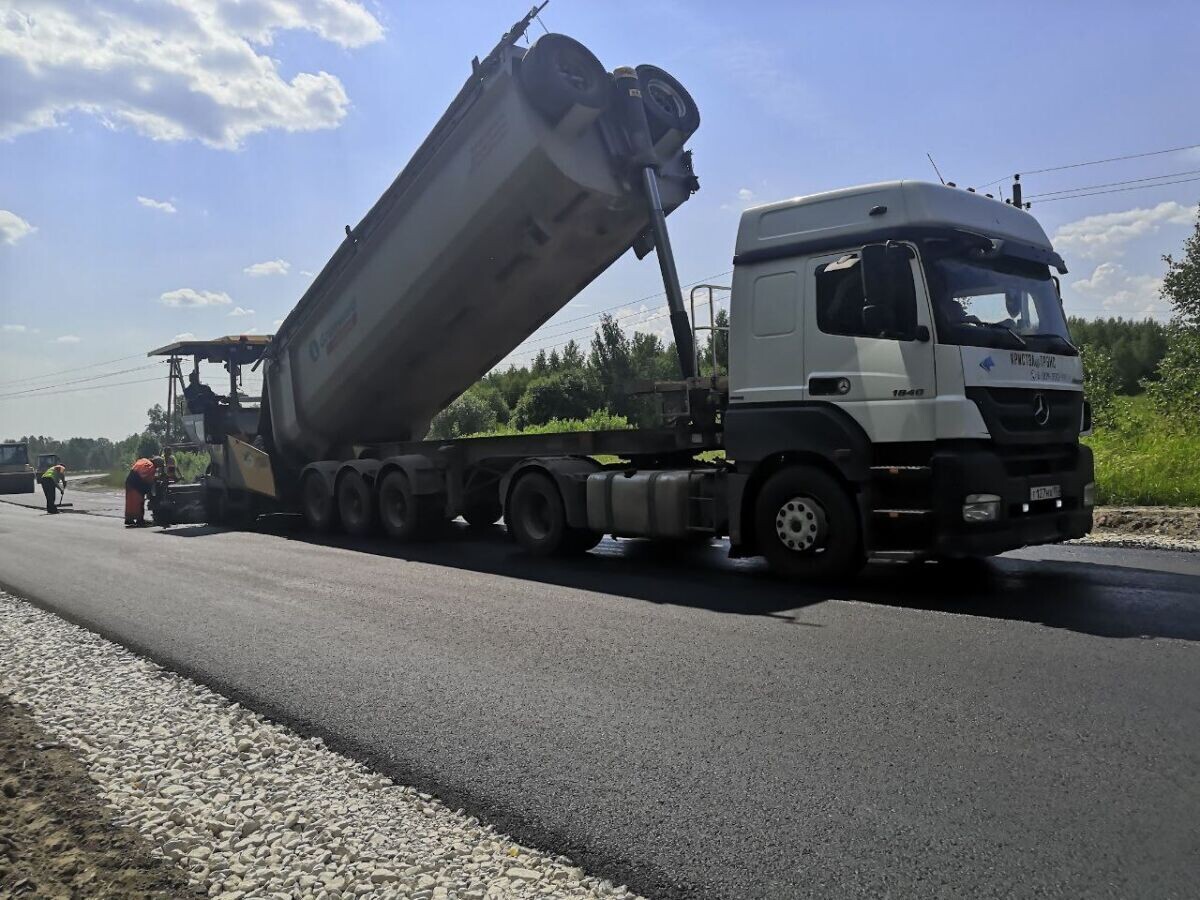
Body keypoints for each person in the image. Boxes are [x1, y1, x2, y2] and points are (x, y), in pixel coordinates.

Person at [124, 456, 160, 526]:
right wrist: (150, 492)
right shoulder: (151, 466)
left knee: (130, 502)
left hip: (129, 481)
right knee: (139, 502)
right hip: (136, 484)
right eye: (158, 466)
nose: (157, 468)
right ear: (157, 463)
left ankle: (128, 519)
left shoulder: (144, 460)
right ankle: (140, 520)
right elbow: (149, 480)